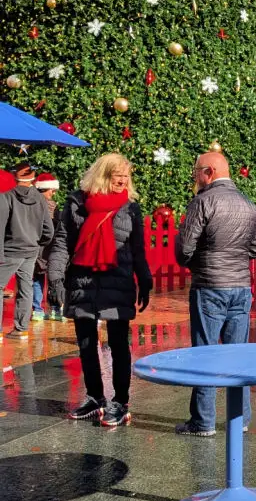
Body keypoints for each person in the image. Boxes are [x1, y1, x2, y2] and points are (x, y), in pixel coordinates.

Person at [47, 154, 151, 425]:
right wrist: (55, 278)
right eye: (118, 174)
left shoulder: (130, 208)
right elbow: (62, 243)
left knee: (118, 343)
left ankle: (121, 400)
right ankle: (95, 397)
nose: (123, 180)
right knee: (85, 343)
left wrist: (145, 279)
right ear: (103, 175)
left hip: (117, 281)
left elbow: (138, 250)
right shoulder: (77, 203)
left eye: (127, 176)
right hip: (83, 282)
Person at [175, 152, 256, 437]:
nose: (193, 177)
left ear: (209, 172)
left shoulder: (203, 202)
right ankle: (242, 417)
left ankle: (203, 421)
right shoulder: (248, 203)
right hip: (240, 286)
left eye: (196, 172)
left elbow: (184, 249)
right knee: (238, 354)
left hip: (210, 285)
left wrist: (201, 262)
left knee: (206, 353)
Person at [0, 163, 55, 342]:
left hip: (10, 251)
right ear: (33, 178)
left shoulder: (6, 197)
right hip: (31, 250)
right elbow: (49, 230)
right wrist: (38, 244)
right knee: (25, 288)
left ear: (15, 177)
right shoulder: (40, 199)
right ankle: (21, 329)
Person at [31, 172, 63, 321]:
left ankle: (37, 310)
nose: (54, 192)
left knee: (36, 278)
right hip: (48, 247)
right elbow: (57, 227)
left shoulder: (31, 203)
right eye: (52, 189)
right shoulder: (51, 206)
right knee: (52, 279)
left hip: (34, 247)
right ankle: (55, 309)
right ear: (45, 189)